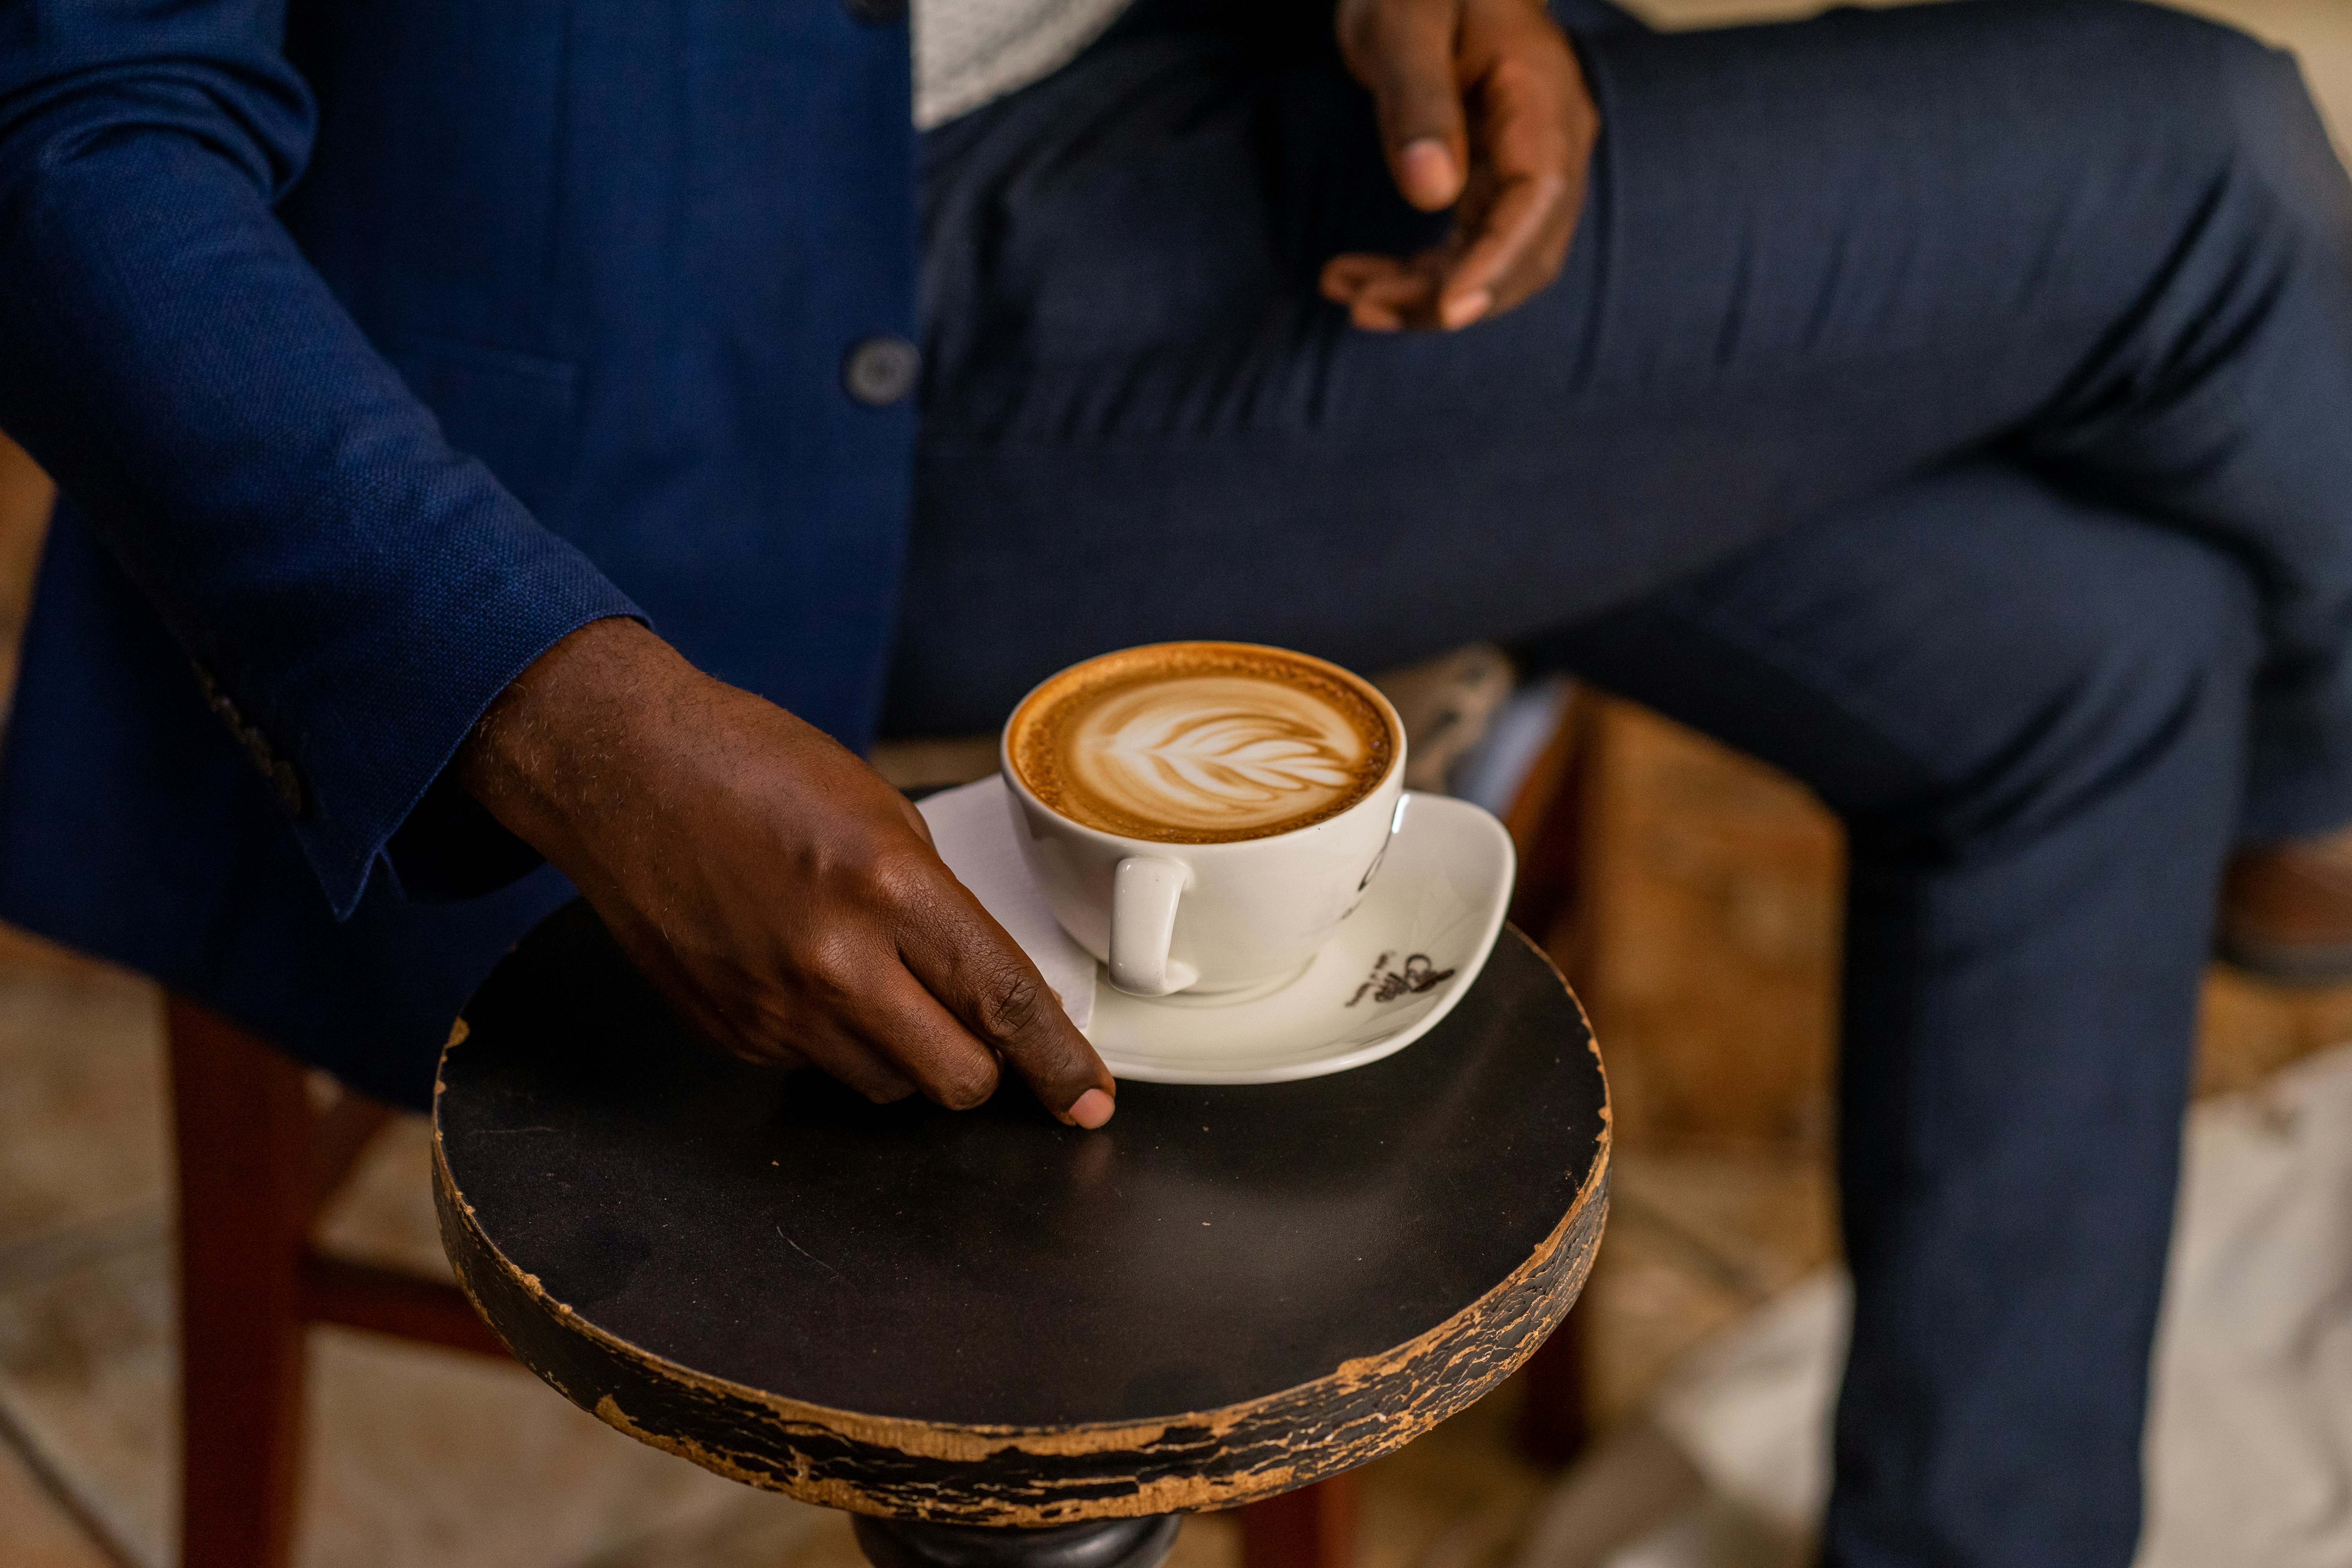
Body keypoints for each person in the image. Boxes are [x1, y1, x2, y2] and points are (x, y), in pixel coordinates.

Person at [4, 0, 2351, 1560]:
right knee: (2202, 158)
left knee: (2094, 652)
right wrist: (554, 706)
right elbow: (64, 135)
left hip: (1196, 123)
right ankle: (2324, 801)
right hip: (710, 395)